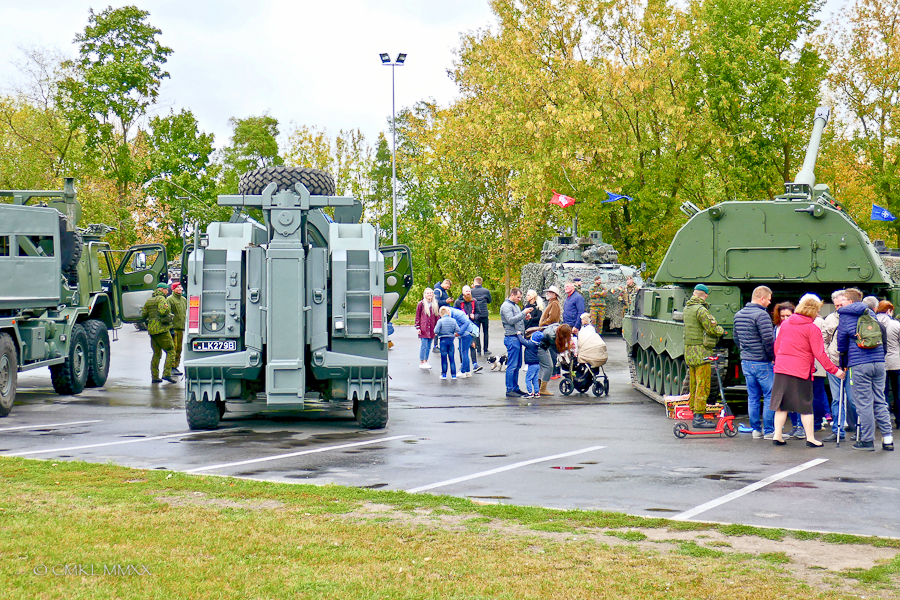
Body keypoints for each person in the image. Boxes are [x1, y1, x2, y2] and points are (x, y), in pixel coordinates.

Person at [771, 294, 844, 447]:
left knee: (781, 404)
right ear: (813, 311)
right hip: (801, 370)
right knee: (805, 406)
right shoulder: (812, 328)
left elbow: (777, 347)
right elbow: (820, 354)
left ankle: (777, 435)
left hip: (782, 369)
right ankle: (810, 438)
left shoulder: (785, 324)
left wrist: (781, 362)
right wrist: (835, 371)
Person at [836, 287, 894, 451]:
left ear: (850, 301)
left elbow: (842, 341)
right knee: (879, 399)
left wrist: (843, 360)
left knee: (864, 402)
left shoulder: (846, 315)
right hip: (878, 362)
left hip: (859, 362)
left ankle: (867, 440)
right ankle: (888, 439)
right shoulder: (870, 312)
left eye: (844, 300)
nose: (841, 303)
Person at [733, 285, 776, 439]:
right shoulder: (762, 315)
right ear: (762, 298)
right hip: (762, 362)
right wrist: (773, 357)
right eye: (769, 300)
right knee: (770, 395)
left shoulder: (738, 315)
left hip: (746, 361)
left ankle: (756, 430)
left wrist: (745, 351)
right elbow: (768, 340)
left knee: (753, 397)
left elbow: (736, 338)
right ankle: (769, 430)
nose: (769, 303)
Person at [683, 284, 724, 429]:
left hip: (690, 351)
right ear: (705, 295)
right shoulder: (701, 310)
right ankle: (699, 417)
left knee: (694, 384)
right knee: (703, 384)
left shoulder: (687, 308)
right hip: (701, 352)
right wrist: (721, 330)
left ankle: (695, 411)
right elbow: (712, 328)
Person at [822, 290, 857, 441]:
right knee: (836, 399)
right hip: (834, 365)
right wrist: (829, 361)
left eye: (841, 304)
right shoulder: (829, 319)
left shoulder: (855, 318)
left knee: (853, 399)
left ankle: (857, 428)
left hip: (851, 365)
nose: (838, 307)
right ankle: (837, 430)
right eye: (836, 305)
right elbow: (824, 341)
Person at [773, 301, 803, 438]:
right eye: (782, 316)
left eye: (788, 315)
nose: (785, 318)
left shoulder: (798, 327)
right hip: (783, 367)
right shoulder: (777, 328)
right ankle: (795, 425)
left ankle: (801, 427)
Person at [141, 282, 176, 384]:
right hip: (161, 329)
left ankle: (155, 376)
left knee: (156, 354)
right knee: (171, 350)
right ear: (162, 290)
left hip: (152, 330)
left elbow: (143, 314)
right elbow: (163, 311)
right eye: (166, 289)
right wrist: (168, 311)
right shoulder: (161, 299)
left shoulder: (149, 300)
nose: (167, 291)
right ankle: (167, 374)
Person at [501, 287, 532, 397]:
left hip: (517, 337)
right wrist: (523, 313)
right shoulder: (506, 306)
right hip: (511, 337)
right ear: (512, 295)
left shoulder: (515, 306)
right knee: (512, 365)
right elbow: (510, 320)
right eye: (518, 297)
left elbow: (517, 318)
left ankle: (515, 387)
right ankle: (509, 389)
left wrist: (525, 317)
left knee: (518, 364)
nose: (519, 299)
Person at [876, 301, 900, 429]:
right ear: (889, 311)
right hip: (896, 363)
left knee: (881, 393)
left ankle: (883, 422)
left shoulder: (874, 323)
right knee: (898, 393)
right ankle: (899, 420)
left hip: (880, 362)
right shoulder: (895, 324)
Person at [539, 285, 562, 379]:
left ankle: (555, 372)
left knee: (552, 351)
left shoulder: (554, 304)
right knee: (551, 350)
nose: (547, 293)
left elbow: (552, 318)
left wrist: (543, 323)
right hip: (550, 329)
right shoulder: (552, 303)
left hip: (550, 330)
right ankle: (555, 372)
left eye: (550, 292)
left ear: (555, 295)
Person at [449, 306, 479, 377]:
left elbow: (466, 323)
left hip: (466, 334)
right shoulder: (454, 313)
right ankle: (467, 371)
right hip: (465, 333)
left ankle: (463, 371)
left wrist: (459, 333)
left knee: (464, 352)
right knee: (463, 352)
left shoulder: (457, 314)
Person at [415, 288, 440, 369]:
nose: (429, 295)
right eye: (428, 293)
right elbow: (417, 317)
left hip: (432, 328)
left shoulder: (435, 304)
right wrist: (418, 327)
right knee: (424, 345)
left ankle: (426, 360)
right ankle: (422, 361)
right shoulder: (421, 304)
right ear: (425, 294)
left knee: (429, 346)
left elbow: (437, 317)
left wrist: (437, 328)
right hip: (423, 328)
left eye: (431, 293)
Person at [433, 306, 459, 380]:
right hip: (451, 340)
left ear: (440, 314)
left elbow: (436, 331)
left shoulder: (440, 321)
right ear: (447, 313)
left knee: (444, 358)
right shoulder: (453, 320)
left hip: (443, 340)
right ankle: (453, 375)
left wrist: (439, 333)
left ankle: (444, 374)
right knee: (452, 358)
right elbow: (458, 329)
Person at [168, 282, 187, 376]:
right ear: (173, 289)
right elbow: (168, 314)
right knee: (173, 348)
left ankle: (176, 366)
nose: (180, 288)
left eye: (180, 287)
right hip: (174, 328)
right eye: (178, 287)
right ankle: (171, 367)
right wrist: (170, 328)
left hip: (181, 328)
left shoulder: (184, 300)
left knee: (179, 349)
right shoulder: (170, 299)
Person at [471, 277, 493, 355]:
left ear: (474, 282)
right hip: (484, 314)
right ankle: (486, 349)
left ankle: (478, 349)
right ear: (481, 282)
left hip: (475, 314)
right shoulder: (486, 291)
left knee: (476, 332)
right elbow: (490, 301)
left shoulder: (471, 291)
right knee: (485, 332)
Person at [518, 330, 543, 398]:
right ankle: (537, 393)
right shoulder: (538, 345)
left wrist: (519, 335)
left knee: (528, 379)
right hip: (537, 364)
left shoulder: (530, 344)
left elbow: (523, 341)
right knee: (535, 379)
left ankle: (529, 393)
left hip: (531, 364)